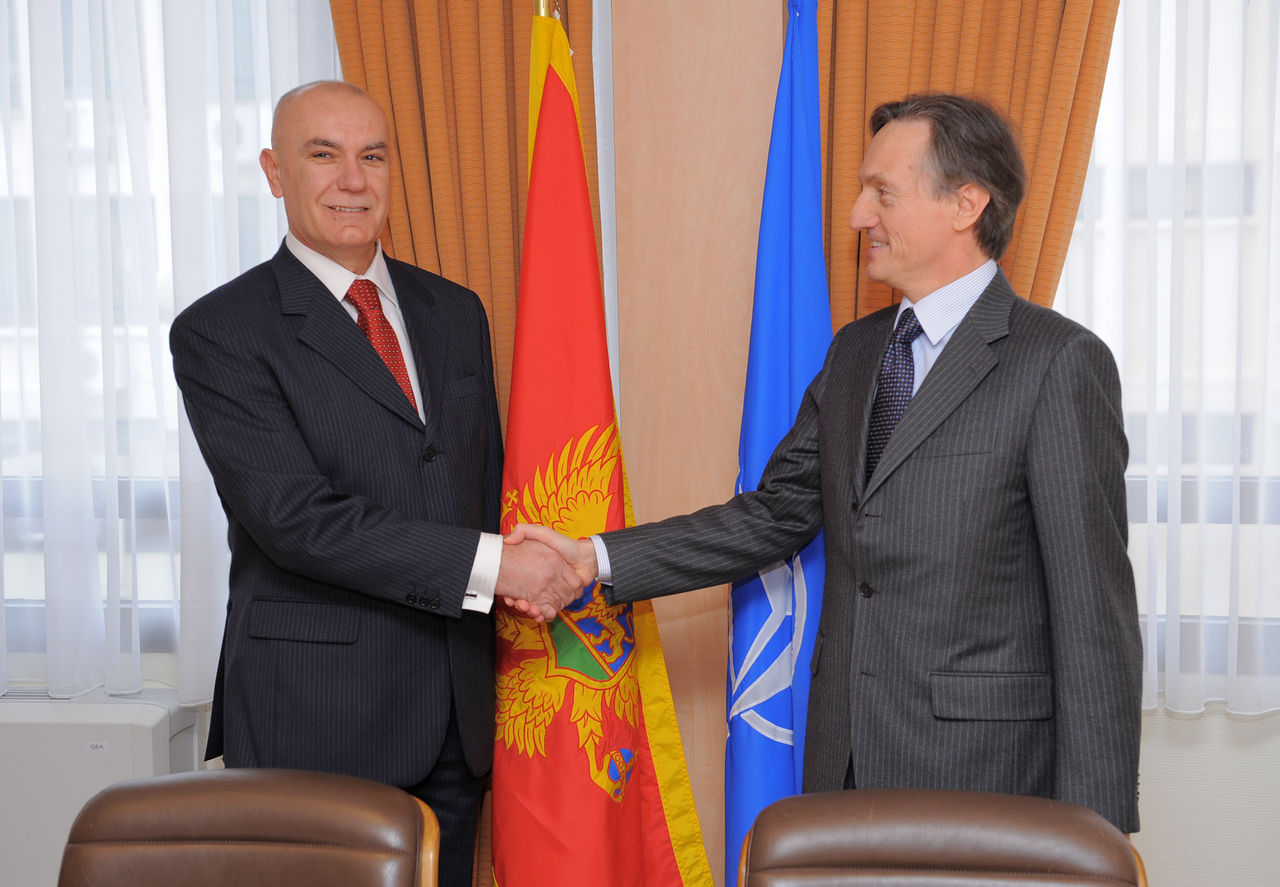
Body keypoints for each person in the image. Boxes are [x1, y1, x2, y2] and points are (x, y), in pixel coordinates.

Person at [506, 93, 1143, 833]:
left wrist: (1094, 835)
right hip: (841, 760)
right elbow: (774, 512)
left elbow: (1094, 613)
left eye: (883, 192)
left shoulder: (1058, 362)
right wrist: (594, 559)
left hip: (986, 777)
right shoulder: (856, 352)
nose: (856, 216)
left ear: (967, 203)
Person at [170, 80, 585, 886]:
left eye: (372, 155)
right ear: (275, 172)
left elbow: (479, 483)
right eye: (322, 155)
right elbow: (296, 519)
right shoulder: (221, 331)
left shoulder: (455, 312)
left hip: (456, 714)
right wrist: (499, 566)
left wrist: (548, 562)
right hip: (316, 716)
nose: (352, 180)